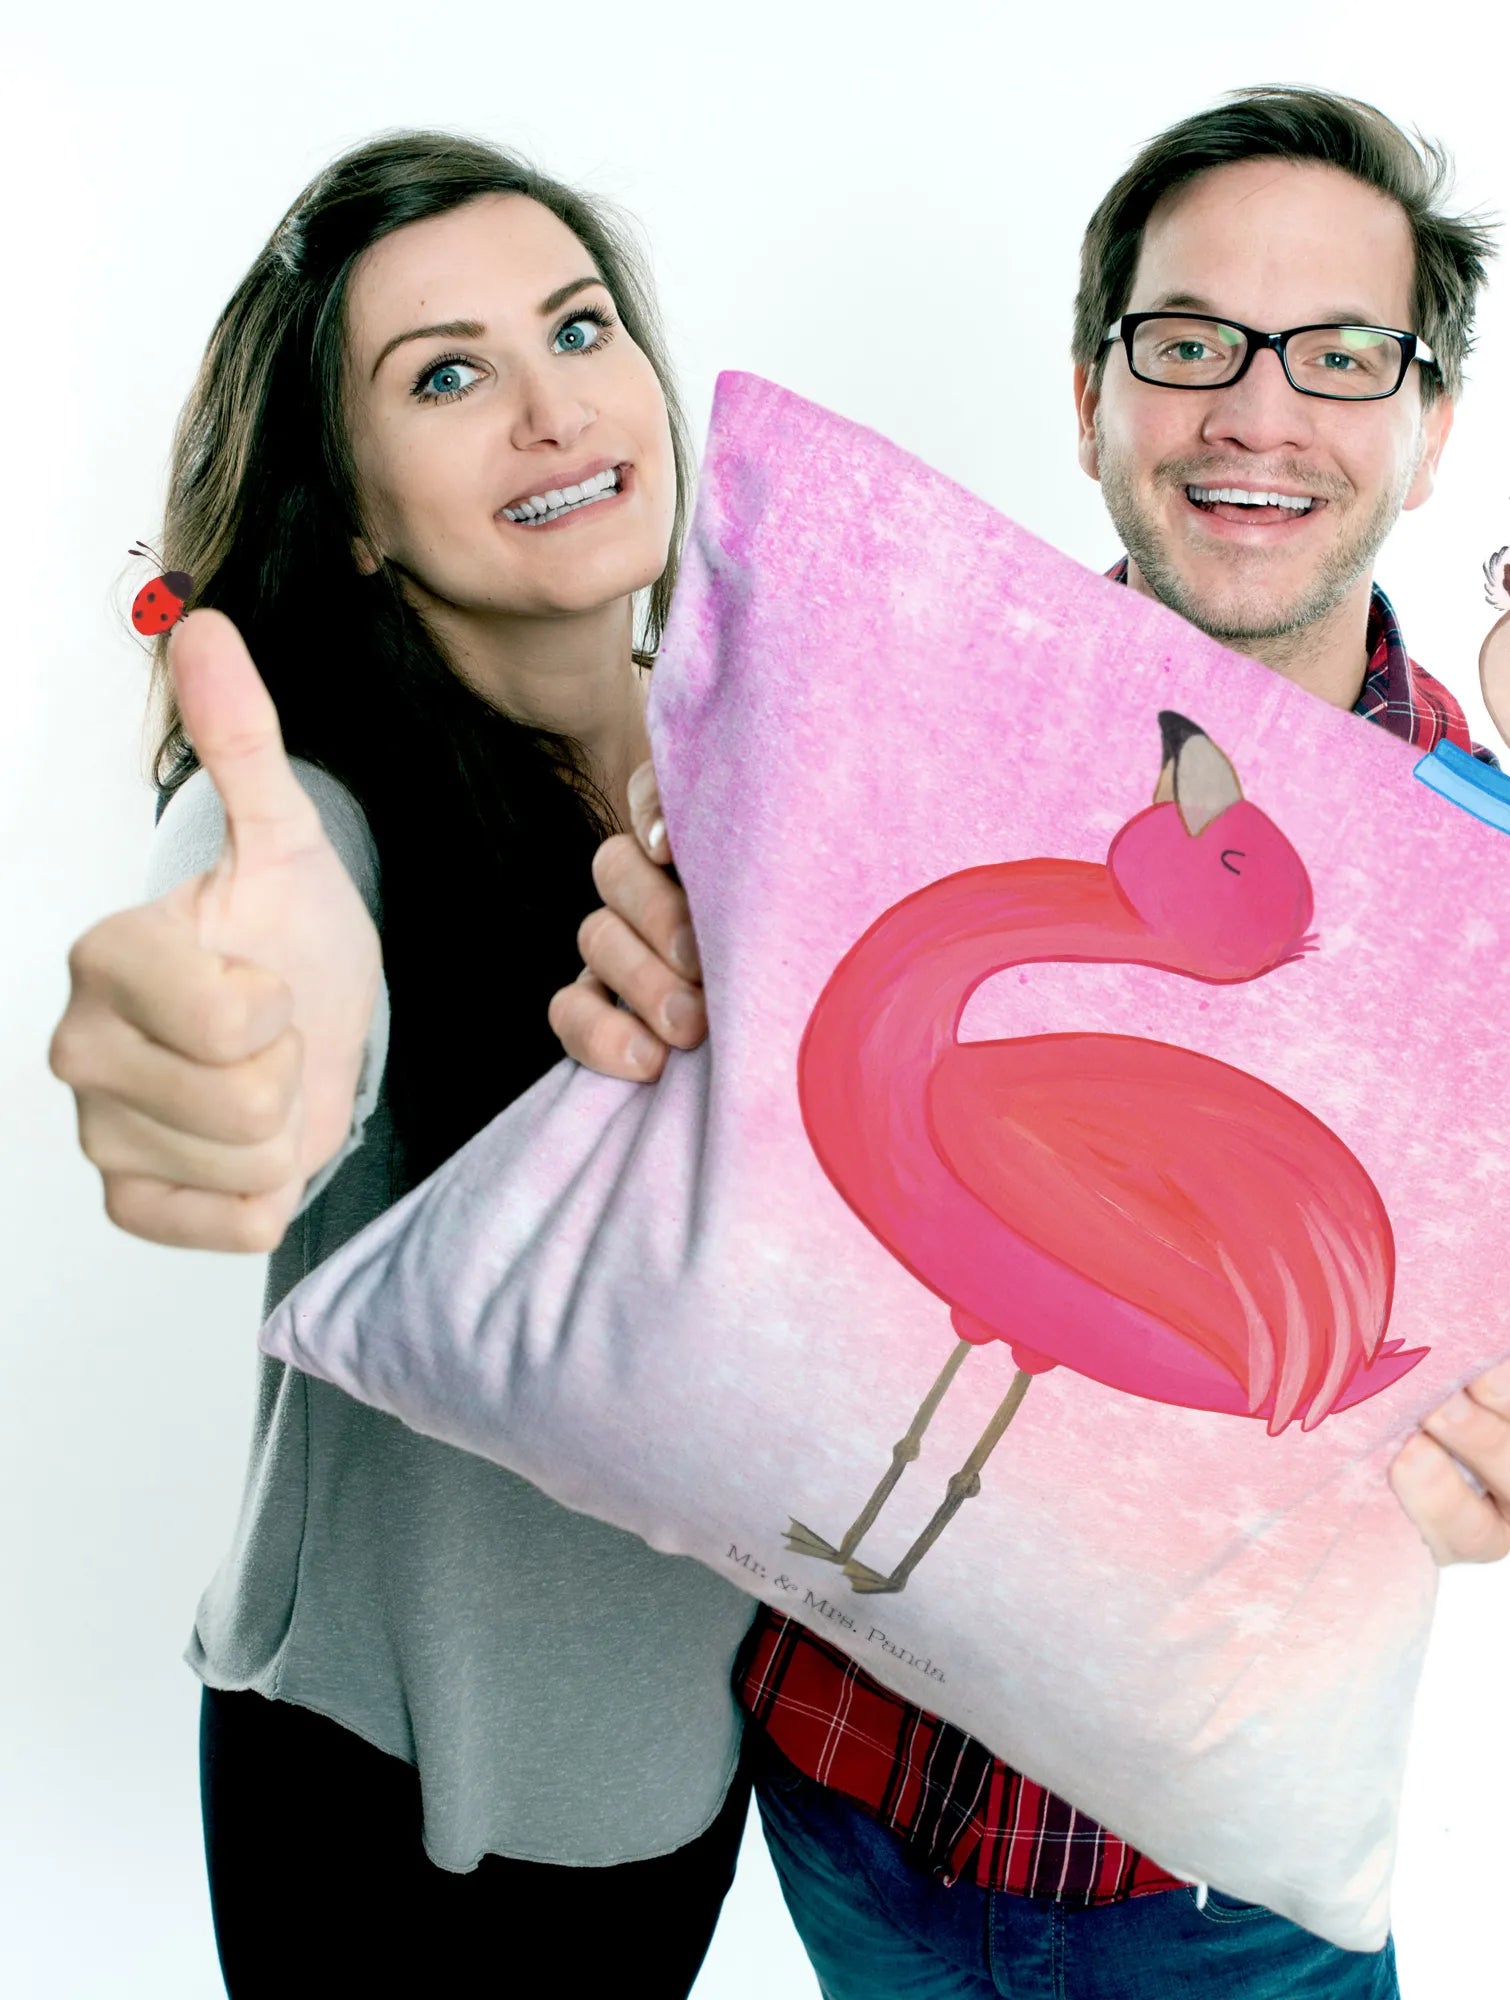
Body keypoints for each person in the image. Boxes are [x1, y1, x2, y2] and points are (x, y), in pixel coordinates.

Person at [553, 87, 1510, 1997]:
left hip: (1214, 1893)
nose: (1259, 412)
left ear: (1428, 433)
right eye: (1190, 344)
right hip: (836, 1795)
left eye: (1341, 355)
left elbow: (1485, 1364)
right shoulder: (874, 746)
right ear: (1092, 397)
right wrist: (648, 1005)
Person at [47, 135, 756, 1996]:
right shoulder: (320, 808)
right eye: (446, 376)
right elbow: (264, 927)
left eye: (579, 330)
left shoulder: (762, 773)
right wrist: (230, 1030)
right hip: (391, 1803)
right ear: (354, 513)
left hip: (685, 1767)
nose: (551, 409)